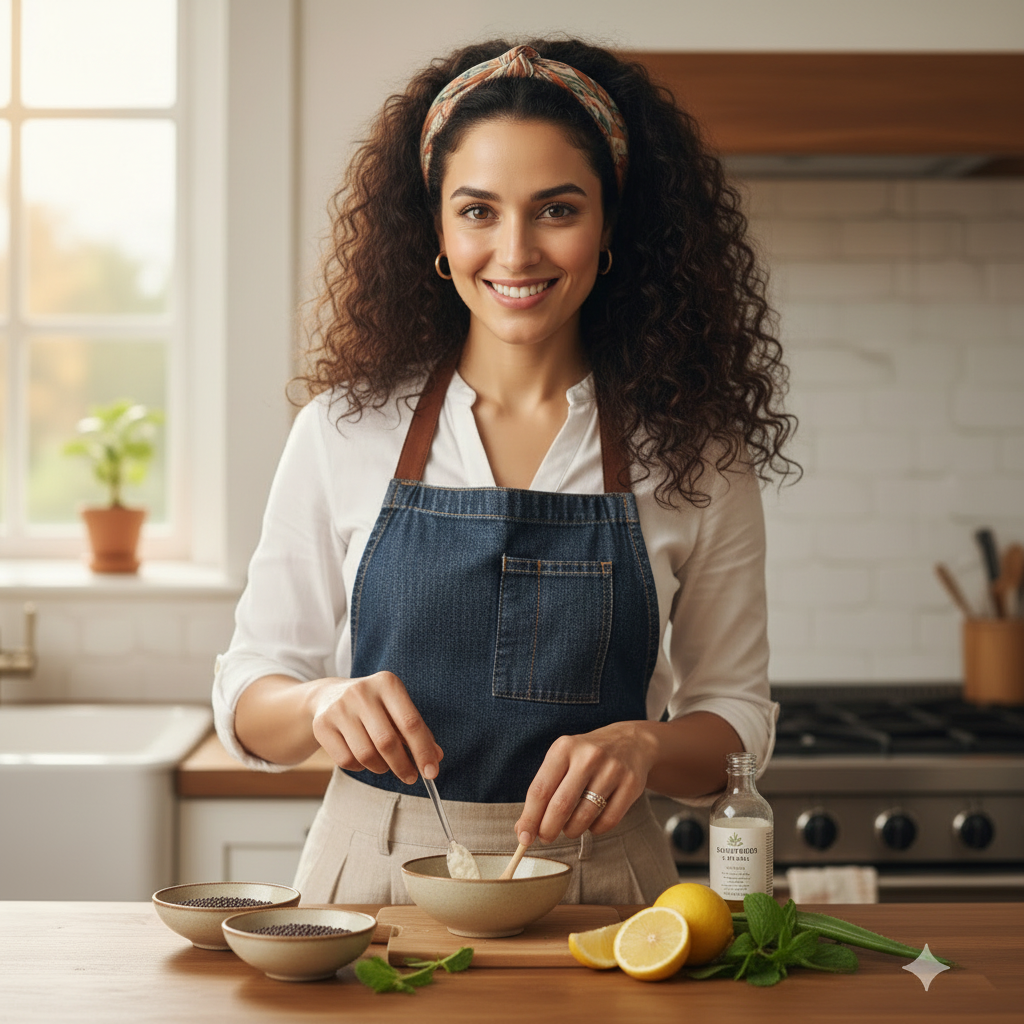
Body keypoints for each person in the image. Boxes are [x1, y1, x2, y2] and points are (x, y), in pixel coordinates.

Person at [212, 38, 797, 905]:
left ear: (610, 229)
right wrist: (316, 707)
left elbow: (736, 719)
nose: (515, 252)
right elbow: (250, 690)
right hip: (371, 879)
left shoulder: (695, 451)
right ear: (437, 232)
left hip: (607, 890)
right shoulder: (344, 430)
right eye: (478, 211)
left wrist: (647, 744)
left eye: (556, 210)